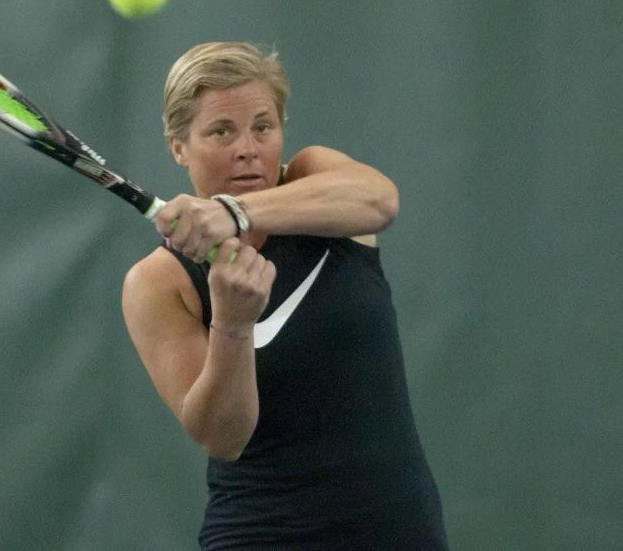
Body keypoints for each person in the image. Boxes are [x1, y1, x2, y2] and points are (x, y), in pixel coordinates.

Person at [122, 42, 448, 549]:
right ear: (178, 146)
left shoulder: (318, 179)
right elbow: (223, 438)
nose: (247, 147)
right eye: (221, 131)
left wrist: (236, 213)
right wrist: (232, 322)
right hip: (262, 535)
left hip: (397, 529)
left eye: (262, 126)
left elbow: (380, 200)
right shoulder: (156, 283)